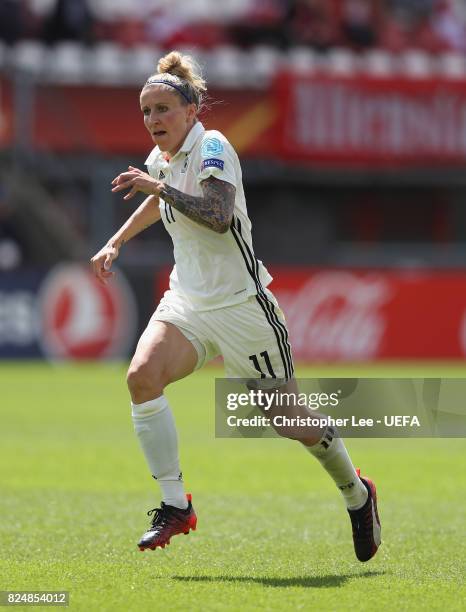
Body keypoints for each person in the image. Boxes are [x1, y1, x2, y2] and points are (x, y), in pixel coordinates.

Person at [90, 50, 381, 561]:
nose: (153, 120)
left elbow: (219, 215)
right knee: (141, 377)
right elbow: (160, 198)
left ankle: (358, 494)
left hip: (243, 306)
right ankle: (175, 505)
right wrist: (118, 240)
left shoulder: (213, 147)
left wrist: (156, 185)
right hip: (189, 301)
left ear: (191, 111)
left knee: (287, 420)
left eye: (162, 109)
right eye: (146, 111)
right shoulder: (163, 159)